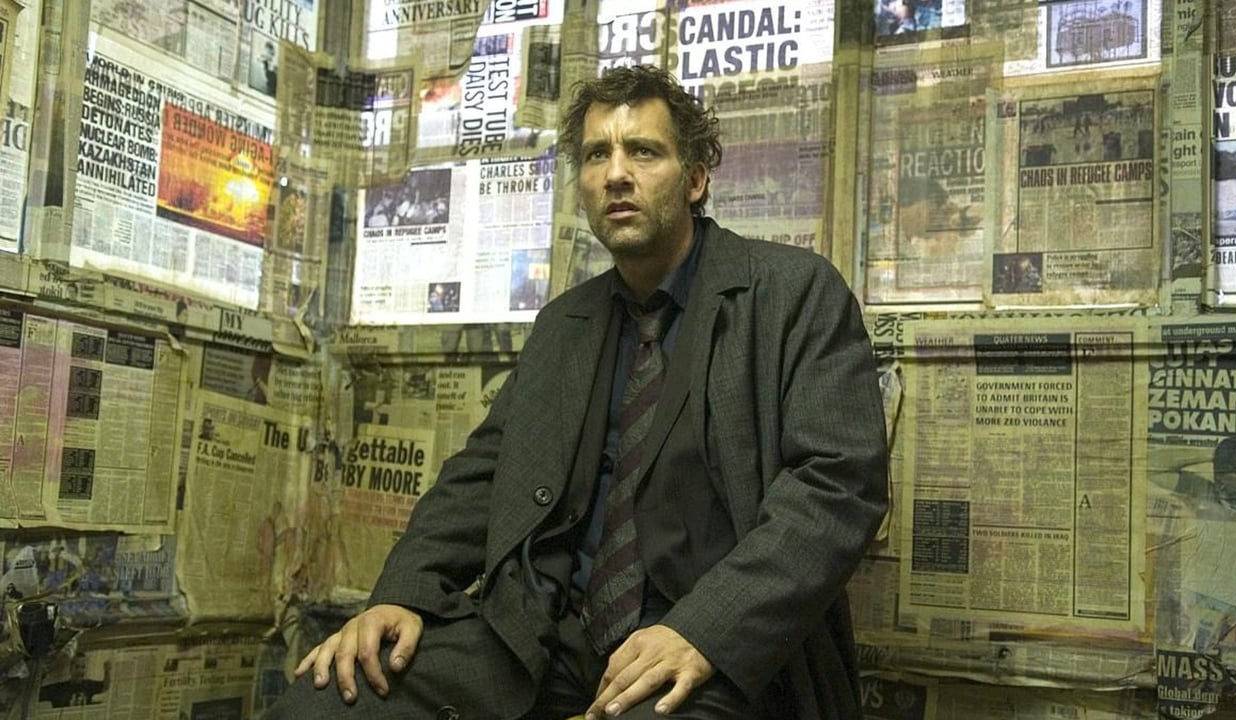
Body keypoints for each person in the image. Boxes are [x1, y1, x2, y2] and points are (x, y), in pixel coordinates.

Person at [265, 64, 887, 720]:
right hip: (546, 641)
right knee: (326, 702)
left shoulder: (792, 292)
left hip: (706, 646)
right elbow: (483, 475)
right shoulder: (566, 323)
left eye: (643, 151)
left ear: (695, 179)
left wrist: (703, 629)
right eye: (596, 155)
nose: (616, 174)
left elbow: (838, 486)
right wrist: (404, 593)